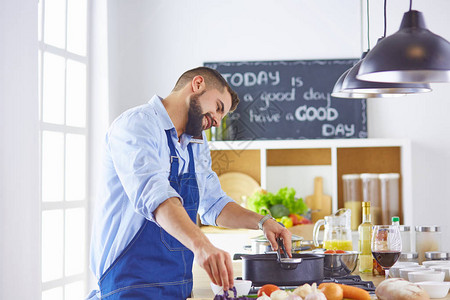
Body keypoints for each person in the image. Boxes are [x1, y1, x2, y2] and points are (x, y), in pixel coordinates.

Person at [88, 67, 292, 299]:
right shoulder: (138, 125)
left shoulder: (195, 144)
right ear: (197, 84)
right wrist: (202, 246)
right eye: (218, 107)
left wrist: (263, 222)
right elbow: (156, 197)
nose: (216, 121)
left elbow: (214, 204)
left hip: (177, 287)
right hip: (129, 286)